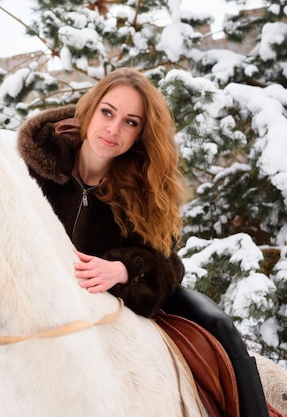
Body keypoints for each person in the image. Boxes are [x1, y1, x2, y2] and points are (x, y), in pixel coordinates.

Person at [17, 67, 269, 417]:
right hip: (41, 300)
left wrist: (124, 269)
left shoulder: (145, 183)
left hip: (125, 295)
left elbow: (168, 263)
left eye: (130, 122)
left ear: (140, 133)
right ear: (89, 109)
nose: (113, 129)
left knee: (219, 325)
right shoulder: (31, 167)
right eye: (107, 112)